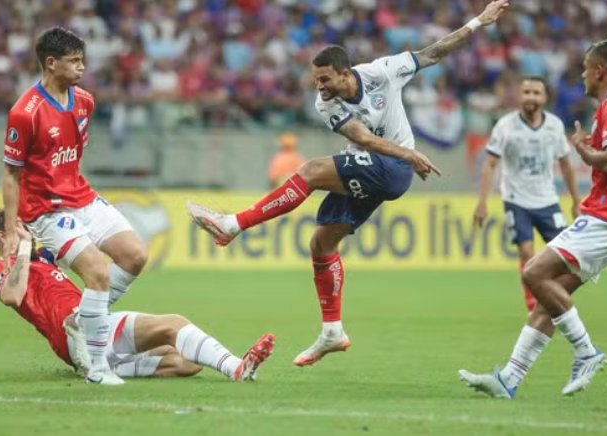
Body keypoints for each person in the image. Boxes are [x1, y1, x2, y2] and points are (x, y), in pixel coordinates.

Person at [187, 0, 510, 367]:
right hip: (380, 164)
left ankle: (232, 224)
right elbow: (364, 139)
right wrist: (410, 155)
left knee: (310, 171)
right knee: (321, 244)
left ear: (346, 73)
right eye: (315, 80)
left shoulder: (382, 71)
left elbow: (434, 52)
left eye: (325, 79)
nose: (319, 88)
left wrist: (478, 22)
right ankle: (332, 330)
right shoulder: (326, 105)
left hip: (393, 168)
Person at [459, 40, 607, 398]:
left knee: (533, 272)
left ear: (600, 70)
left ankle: (586, 351)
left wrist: (586, 151)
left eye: (586, 68)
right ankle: (509, 379)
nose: (583, 75)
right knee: (547, 297)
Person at [1, 27, 148, 385]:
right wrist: (12, 227)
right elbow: (10, 175)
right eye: (74, 61)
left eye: (83, 60)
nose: (82, 67)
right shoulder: (25, 112)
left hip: (81, 196)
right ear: (51, 63)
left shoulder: (84, 101)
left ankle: (81, 319)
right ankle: (98, 368)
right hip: (46, 211)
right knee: (96, 271)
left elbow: (69, 156)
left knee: (135, 256)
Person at [0, 209, 274, 381]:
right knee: (174, 324)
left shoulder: (41, 259)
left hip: (91, 332)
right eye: (23, 227)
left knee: (187, 362)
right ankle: (238, 367)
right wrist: (22, 247)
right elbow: (12, 296)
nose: (31, 232)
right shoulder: (5, 266)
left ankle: (105, 367)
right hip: (75, 332)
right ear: (3, 235)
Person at [474, 76, 581, 312]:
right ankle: (534, 303)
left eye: (536, 93)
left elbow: (565, 165)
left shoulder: (554, 125)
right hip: (516, 201)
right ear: (519, 96)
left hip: (548, 200)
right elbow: (490, 164)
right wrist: (482, 203)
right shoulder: (505, 126)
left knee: (564, 256)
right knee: (526, 251)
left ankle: (551, 293)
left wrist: (576, 201)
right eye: (527, 92)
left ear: (544, 98)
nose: (531, 97)